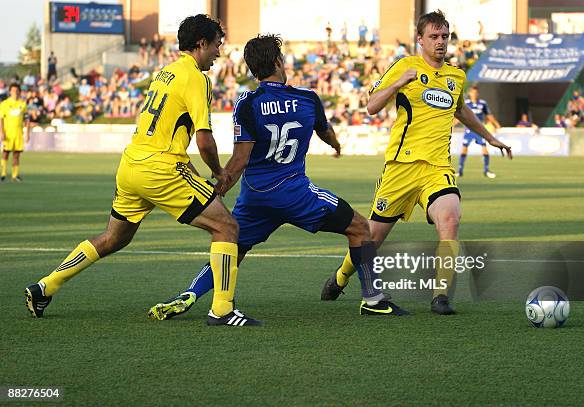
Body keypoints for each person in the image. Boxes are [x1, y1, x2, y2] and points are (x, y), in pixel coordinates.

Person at [147, 34, 406, 321]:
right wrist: (335, 145)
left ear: (252, 69)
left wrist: (219, 186)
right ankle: (373, 299)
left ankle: (192, 292)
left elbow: (240, 159)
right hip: (296, 194)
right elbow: (325, 130)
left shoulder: (247, 102)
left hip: (256, 197)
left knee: (231, 245)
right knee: (359, 228)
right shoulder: (307, 98)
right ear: (279, 61)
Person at [24, 14, 260, 326]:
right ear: (201, 44)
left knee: (113, 238)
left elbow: (166, 129)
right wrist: (218, 171)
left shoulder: (165, 74)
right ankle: (222, 309)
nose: (219, 52)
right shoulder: (197, 78)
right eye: (217, 45)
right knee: (227, 227)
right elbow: (204, 139)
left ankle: (45, 286)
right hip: (161, 170)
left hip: (131, 165)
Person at [320, 10, 512, 315]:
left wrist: (490, 138)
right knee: (372, 237)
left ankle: (440, 295)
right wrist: (397, 83)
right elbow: (371, 106)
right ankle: (341, 277)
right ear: (419, 39)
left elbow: (462, 111)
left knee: (450, 218)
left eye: (444, 36)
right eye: (433, 36)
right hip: (401, 167)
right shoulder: (405, 66)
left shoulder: (456, 76)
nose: (440, 42)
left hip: (437, 168)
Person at [458, 85, 501, 178]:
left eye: (476, 93)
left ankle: (486, 170)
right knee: (464, 149)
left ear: (478, 94)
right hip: (469, 130)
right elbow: (459, 115)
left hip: (479, 130)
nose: (474, 94)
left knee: (485, 149)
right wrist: (451, 124)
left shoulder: (482, 103)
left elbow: (489, 115)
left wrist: (496, 125)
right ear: (469, 93)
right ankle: (460, 170)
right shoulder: (466, 103)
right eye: (472, 92)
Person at [0, 84, 30, 182]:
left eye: (17, 90)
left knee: (17, 155)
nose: (15, 92)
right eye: (13, 91)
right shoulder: (4, 104)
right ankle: (3, 174)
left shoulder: (23, 104)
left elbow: (27, 119)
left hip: (18, 133)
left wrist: (27, 133)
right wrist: (1, 132)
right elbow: (1, 119)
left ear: (19, 92)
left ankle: (15, 175)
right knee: (5, 153)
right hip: (8, 133)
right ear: (10, 92)